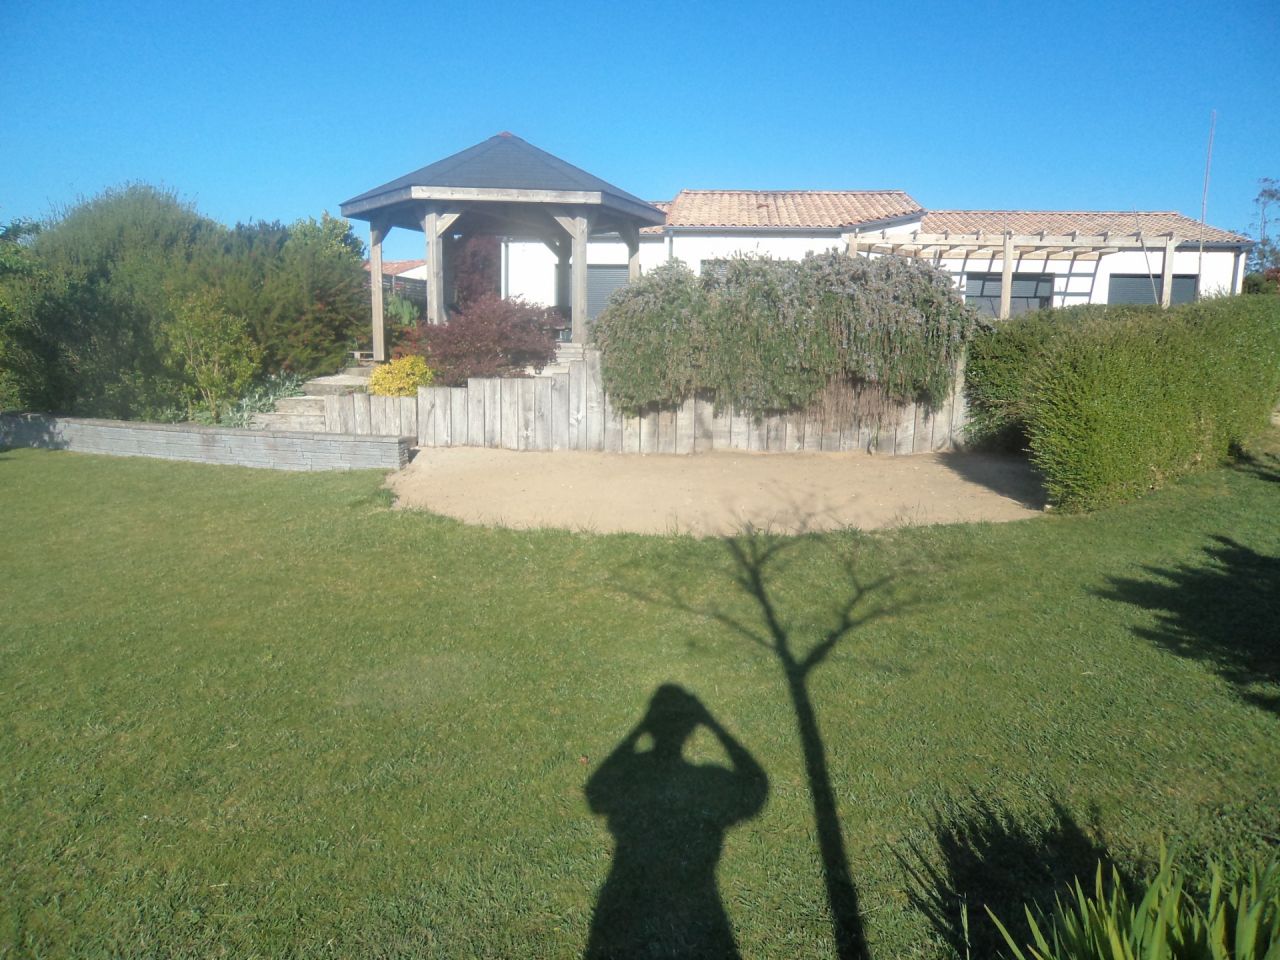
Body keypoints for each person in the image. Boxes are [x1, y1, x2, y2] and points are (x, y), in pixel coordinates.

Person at [584, 684, 768, 959]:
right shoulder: (709, 778)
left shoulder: (640, 766)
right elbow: (755, 787)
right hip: (701, 896)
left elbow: (595, 792)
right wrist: (715, 726)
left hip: (624, 883)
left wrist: (639, 729)